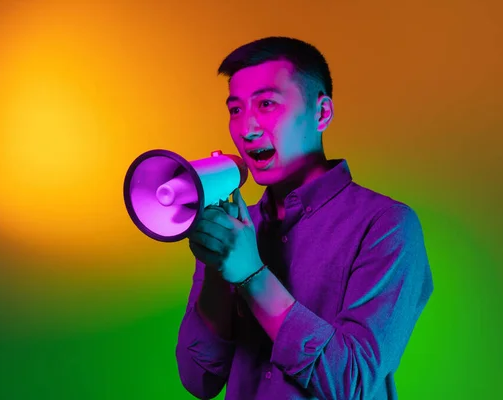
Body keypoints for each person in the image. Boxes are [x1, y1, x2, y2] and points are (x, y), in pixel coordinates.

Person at [175, 36, 433, 400]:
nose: (246, 129)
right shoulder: (236, 229)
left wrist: (252, 276)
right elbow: (198, 380)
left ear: (322, 112)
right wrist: (218, 272)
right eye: (235, 109)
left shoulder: (387, 226)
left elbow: (353, 383)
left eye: (266, 104)